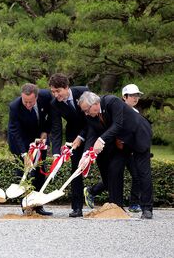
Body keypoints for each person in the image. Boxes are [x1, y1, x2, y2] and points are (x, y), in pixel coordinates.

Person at [77, 91, 153, 219]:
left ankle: (147, 209)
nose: (86, 113)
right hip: (120, 143)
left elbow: (118, 124)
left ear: (95, 104)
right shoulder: (90, 115)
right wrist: (85, 154)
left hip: (138, 135)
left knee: (142, 172)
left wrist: (101, 140)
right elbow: (92, 132)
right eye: (84, 111)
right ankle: (116, 207)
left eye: (86, 110)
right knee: (114, 169)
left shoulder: (112, 101)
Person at [7, 83, 53, 216]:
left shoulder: (46, 97)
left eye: (31, 102)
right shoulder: (14, 106)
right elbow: (15, 131)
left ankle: (38, 205)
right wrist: (25, 154)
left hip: (39, 138)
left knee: (39, 170)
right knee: (23, 172)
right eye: (25, 101)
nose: (27, 105)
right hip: (20, 140)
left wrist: (45, 132)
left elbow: (51, 117)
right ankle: (26, 205)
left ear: (37, 97)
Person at [49, 73, 89, 218]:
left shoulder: (84, 92)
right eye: (53, 91)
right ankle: (77, 208)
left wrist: (82, 136)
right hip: (73, 135)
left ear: (67, 87)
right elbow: (56, 128)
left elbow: (92, 118)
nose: (55, 95)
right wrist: (56, 154)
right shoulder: (54, 104)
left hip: (92, 131)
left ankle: (111, 202)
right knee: (76, 169)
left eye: (58, 91)